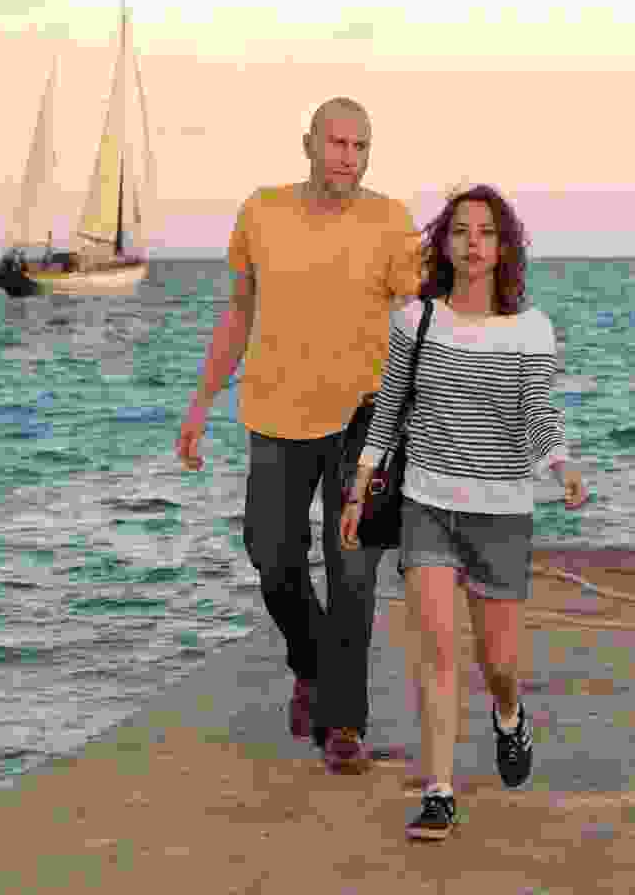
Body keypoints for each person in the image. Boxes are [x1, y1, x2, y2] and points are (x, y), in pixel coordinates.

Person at [175, 97, 425, 773]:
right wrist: (201, 402)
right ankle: (311, 664)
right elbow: (238, 313)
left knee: (353, 574)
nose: (349, 157)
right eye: (337, 143)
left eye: (361, 146)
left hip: (364, 422)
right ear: (309, 144)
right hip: (274, 415)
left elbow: (421, 318)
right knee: (272, 557)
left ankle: (343, 723)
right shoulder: (262, 212)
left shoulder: (391, 223)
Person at [338, 184, 588, 842]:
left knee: (498, 664)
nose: (473, 244)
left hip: (501, 515)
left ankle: (509, 716)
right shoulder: (415, 321)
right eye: (460, 231)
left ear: (503, 248)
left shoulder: (531, 330)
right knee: (438, 652)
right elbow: (389, 410)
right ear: (444, 245)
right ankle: (439, 791)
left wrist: (561, 467)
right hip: (426, 506)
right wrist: (358, 490)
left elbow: (537, 412)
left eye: (486, 232)